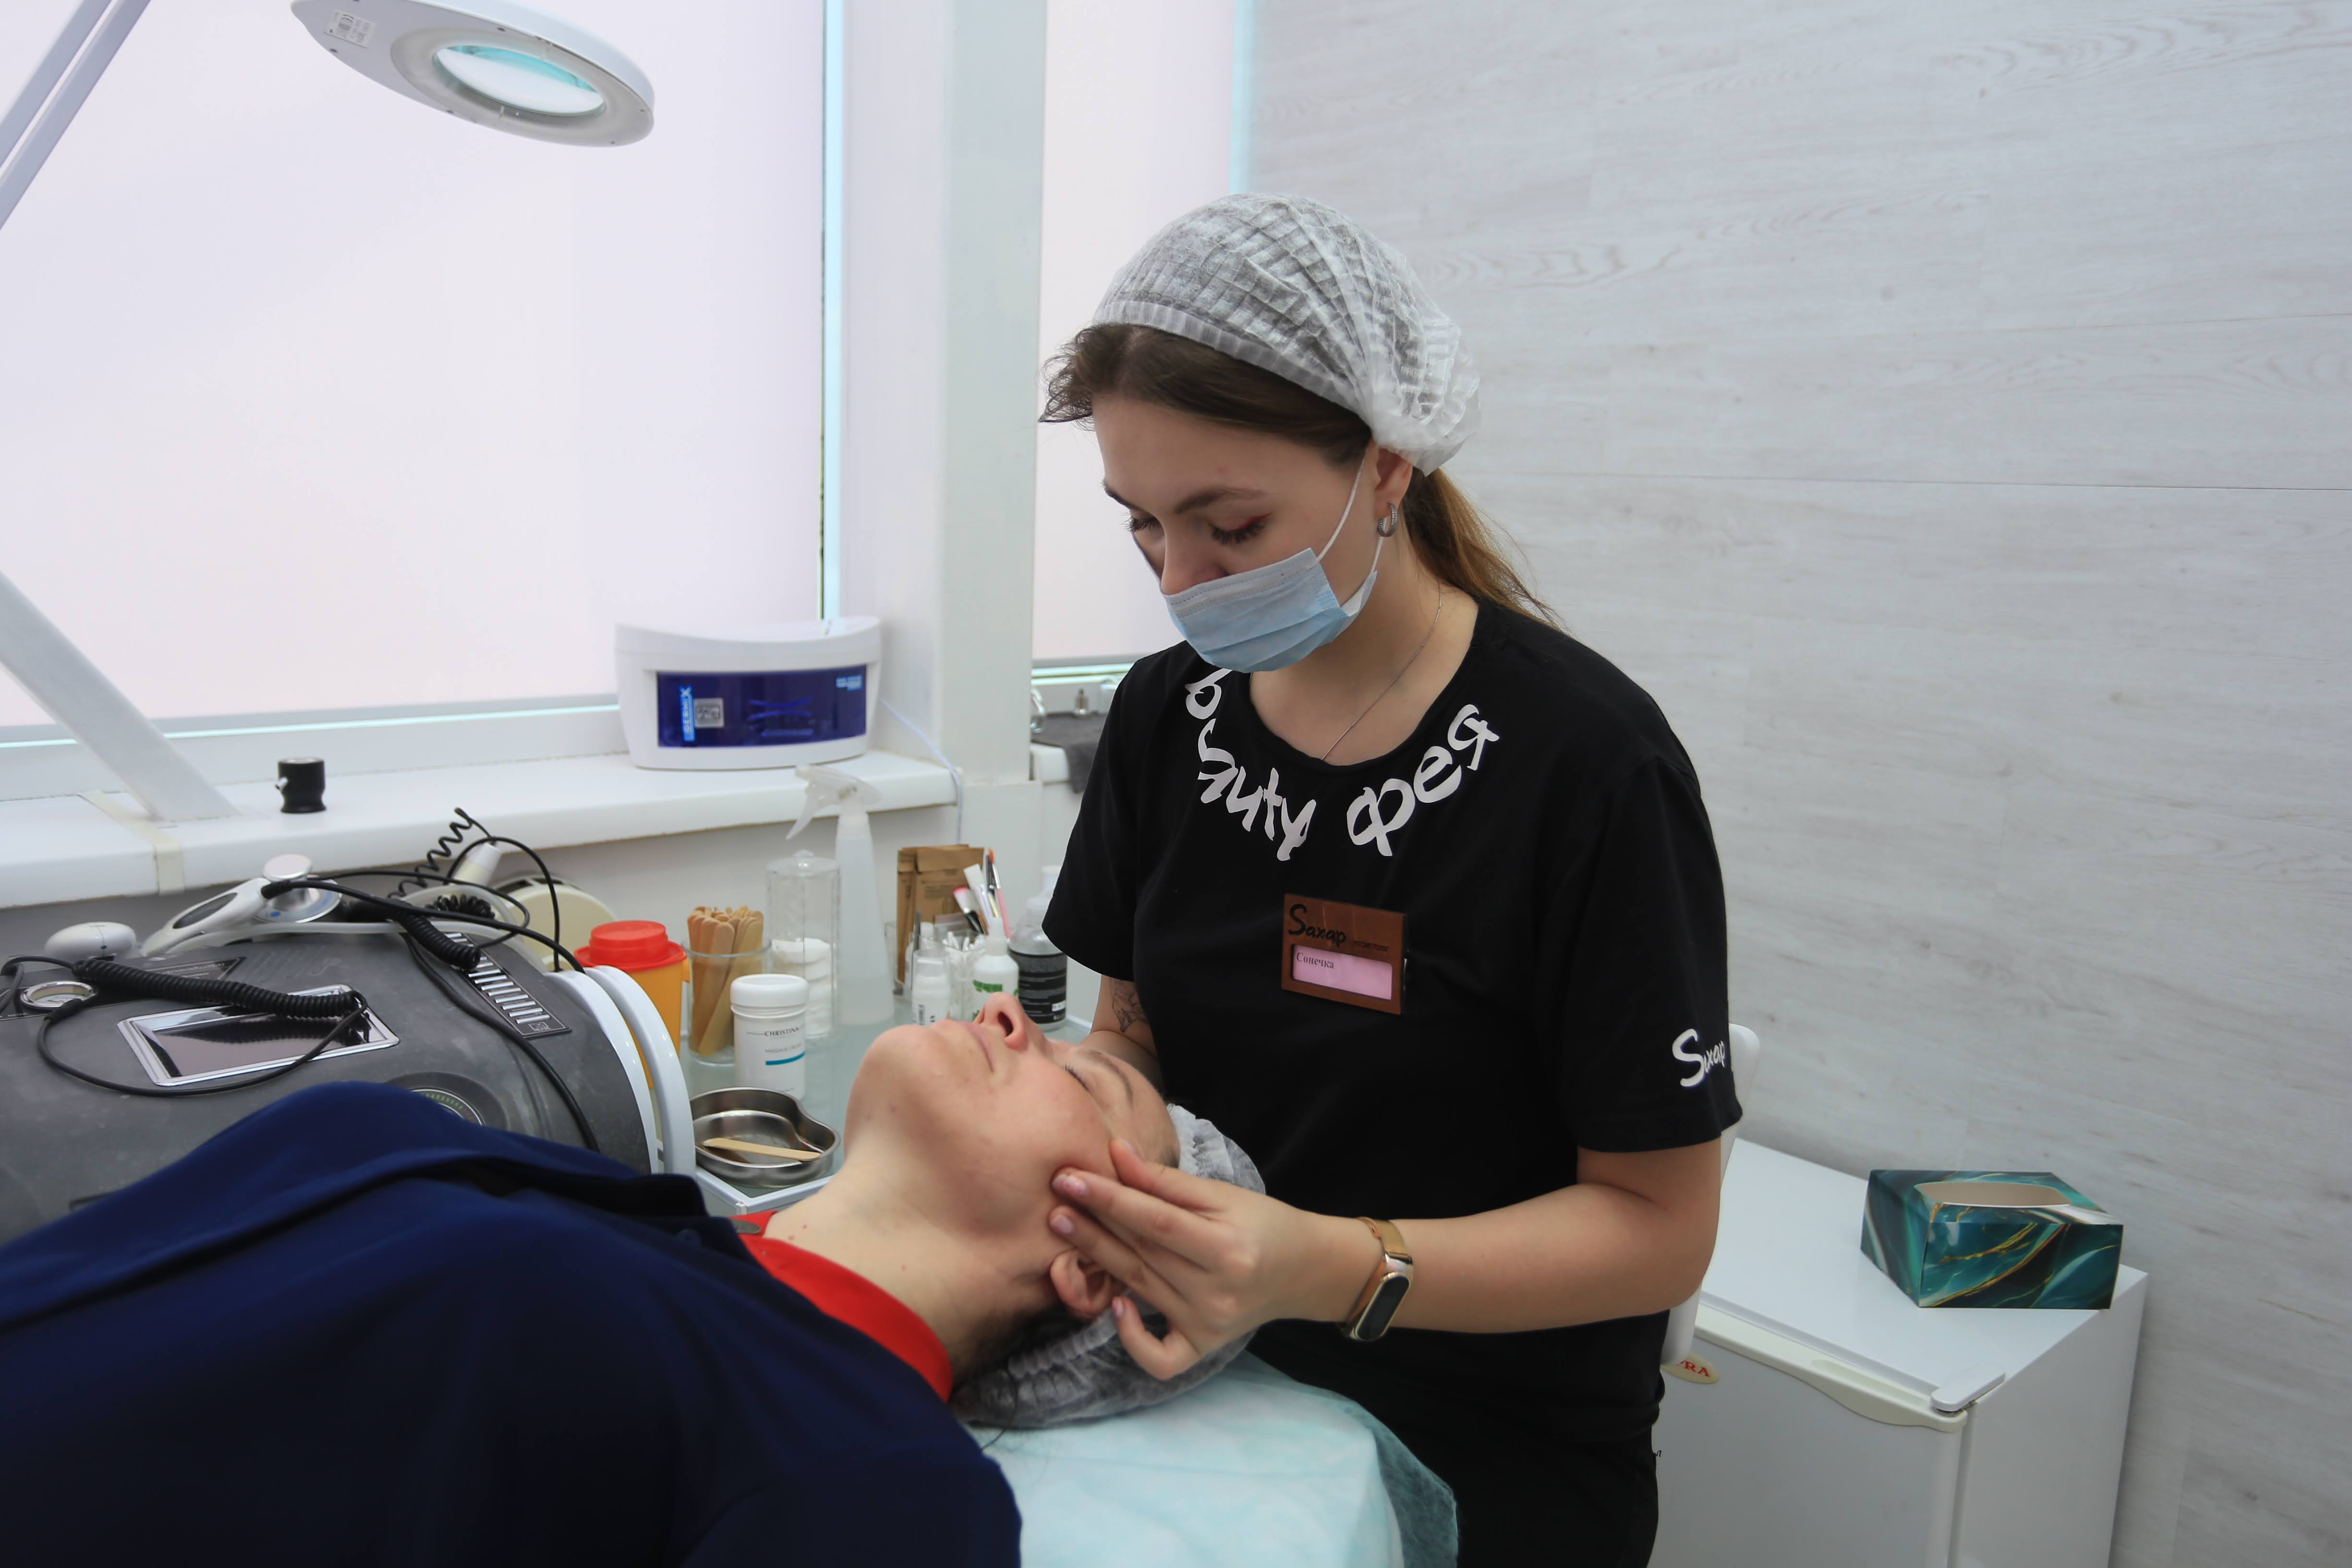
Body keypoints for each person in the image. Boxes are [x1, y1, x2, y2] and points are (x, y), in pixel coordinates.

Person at [1036, 194, 1741, 1567]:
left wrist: (1323, 1264)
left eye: (1230, 524)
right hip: (1198, 1367)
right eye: (1142, 526)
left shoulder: (1588, 768)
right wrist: (1075, 1148)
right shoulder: (1165, 719)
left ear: (1385, 465)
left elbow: (1659, 1229)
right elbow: (1133, 1034)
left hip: (1486, 1428)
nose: (1180, 581)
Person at [0, 993, 1194, 1566]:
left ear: (1092, 1270)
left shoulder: (881, 1475)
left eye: (1086, 1080)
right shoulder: (631, 1220)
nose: (1010, 1011)